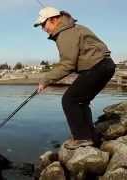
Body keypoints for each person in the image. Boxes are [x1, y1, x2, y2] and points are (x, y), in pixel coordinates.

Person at [34, 7, 116, 149]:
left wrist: (45, 80)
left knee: (69, 100)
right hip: (104, 66)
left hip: (98, 67)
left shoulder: (65, 33)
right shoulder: (71, 28)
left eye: (43, 24)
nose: (42, 28)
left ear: (53, 19)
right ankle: (90, 136)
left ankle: (82, 138)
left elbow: (67, 64)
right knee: (81, 101)